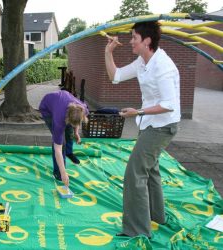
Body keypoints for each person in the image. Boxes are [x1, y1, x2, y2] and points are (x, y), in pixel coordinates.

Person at [104, 21, 180, 238]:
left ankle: (137, 230)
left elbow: (169, 104)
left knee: (134, 173)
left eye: (134, 38)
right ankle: (157, 216)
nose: (130, 41)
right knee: (151, 170)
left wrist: (137, 112)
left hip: (163, 126)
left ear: (147, 41)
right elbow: (115, 76)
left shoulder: (162, 66)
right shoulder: (142, 61)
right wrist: (108, 52)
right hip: (149, 124)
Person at [39, 90, 89, 187]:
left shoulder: (83, 109)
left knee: (69, 133)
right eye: (70, 123)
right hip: (47, 108)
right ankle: (58, 172)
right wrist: (63, 173)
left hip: (64, 100)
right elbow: (57, 149)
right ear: (67, 119)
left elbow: (77, 122)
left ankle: (69, 153)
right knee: (60, 143)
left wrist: (76, 132)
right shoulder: (59, 120)